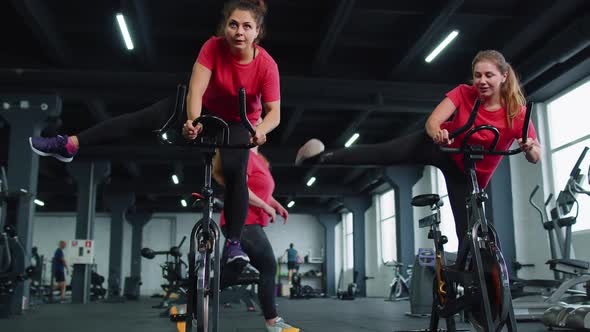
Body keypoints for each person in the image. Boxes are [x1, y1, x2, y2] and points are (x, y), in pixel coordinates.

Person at [29, 0, 281, 266]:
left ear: (257, 32)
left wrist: (259, 132)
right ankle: (70, 144)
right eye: (233, 24)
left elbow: (273, 112)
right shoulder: (212, 47)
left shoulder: (266, 65)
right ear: (225, 27)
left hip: (240, 121)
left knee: (236, 173)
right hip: (203, 106)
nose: (239, 32)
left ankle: (232, 245)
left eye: (246, 26)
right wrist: (193, 122)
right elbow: (196, 90)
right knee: (142, 118)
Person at [296, 50, 541, 251]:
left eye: (489, 75)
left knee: (468, 232)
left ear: (504, 76)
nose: (482, 81)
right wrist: (437, 133)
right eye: (477, 75)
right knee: (384, 153)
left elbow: (535, 156)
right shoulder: (464, 93)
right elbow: (433, 121)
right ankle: (320, 157)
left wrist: (528, 148)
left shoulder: (516, 113)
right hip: (440, 148)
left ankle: (477, 293)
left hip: (466, 172)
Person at [213, 144, 298, 332]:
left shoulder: (260, 161)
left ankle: (194, 299)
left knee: (233, 272)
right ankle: (272, 321)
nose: (262, 123)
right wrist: (265, 207)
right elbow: (240, 189)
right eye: (258, 120)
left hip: (251, 222)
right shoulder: (244, 156)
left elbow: (262, 190)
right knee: (268, 265)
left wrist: (275, 204)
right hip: (242, 221)